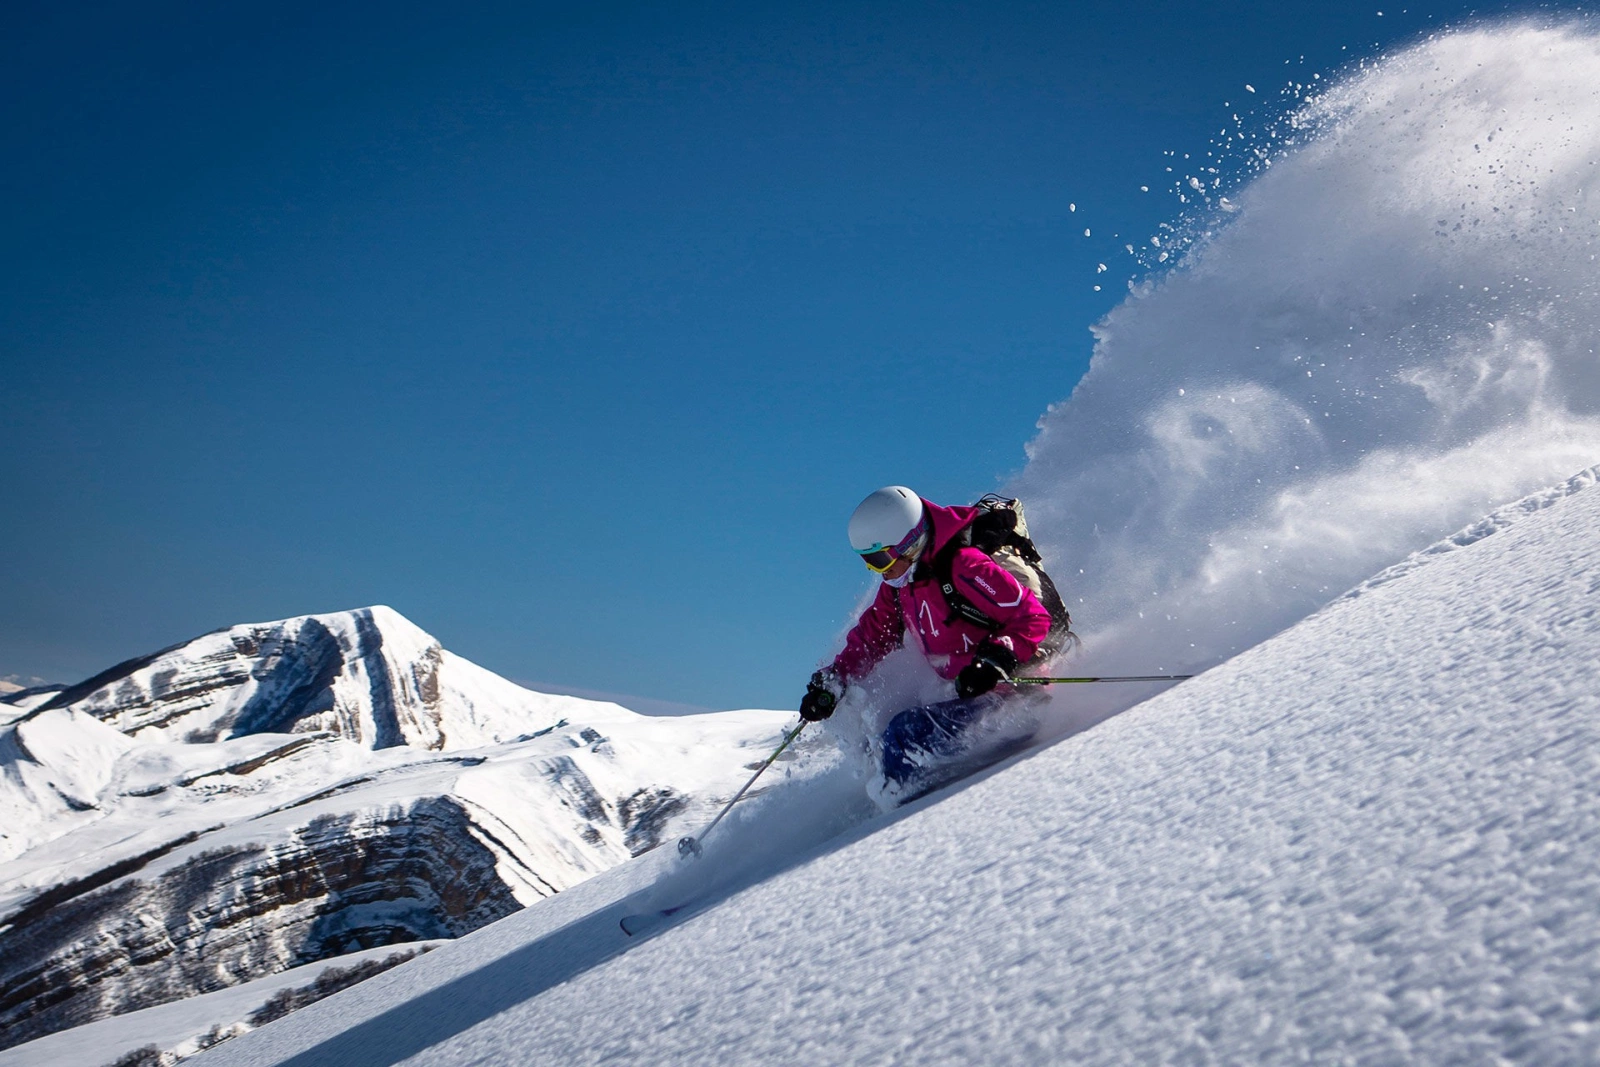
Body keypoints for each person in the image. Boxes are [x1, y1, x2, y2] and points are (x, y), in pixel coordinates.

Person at [800, 486, 1054, 800]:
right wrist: (835, 679)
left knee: (904, 739)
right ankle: (893, 799)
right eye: (868, 562)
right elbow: (871, 638)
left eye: (880, 559)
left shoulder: (964, 566)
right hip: (972, 697)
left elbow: (1032, 616)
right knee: (877, 744)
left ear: (910, 542)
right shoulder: (900, 586)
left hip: (1019, 696)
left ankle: (906, 815)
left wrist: (996, 659)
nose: (877, 570)